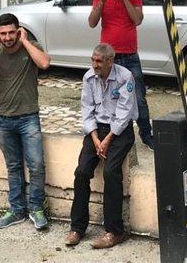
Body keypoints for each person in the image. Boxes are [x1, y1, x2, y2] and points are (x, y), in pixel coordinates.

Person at [0, 13, 51, 231]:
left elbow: (44, 63)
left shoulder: (29, 46)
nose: (8, 37)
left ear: (19, 31)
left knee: (36, 165)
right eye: (3, 33)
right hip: (5, 119)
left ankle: (36, 209)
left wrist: (25, 41)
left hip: (29, 118)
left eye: (12, 33)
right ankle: (16, 210)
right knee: (13, 167)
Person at [65, 43, 138, 249]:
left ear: (110, 61)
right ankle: (77, 227)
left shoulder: (125, 77)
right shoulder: (89, 77)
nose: (94, 65)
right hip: (97, 131)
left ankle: (115, 230)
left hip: (120, 131)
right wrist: (96, 138)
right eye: (93, 60)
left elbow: (125, 113)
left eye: (99, 61)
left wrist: (107, 139)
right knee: (81, 172)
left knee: (111, 172)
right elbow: (86, 109)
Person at [88, 0, 153, 149]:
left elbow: (137, 20)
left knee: (139, 98)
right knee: (108, 97)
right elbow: (92, 23)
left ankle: (146, 134)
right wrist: (101, 3)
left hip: (130, 56)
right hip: (109, 58)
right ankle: (110, 133)